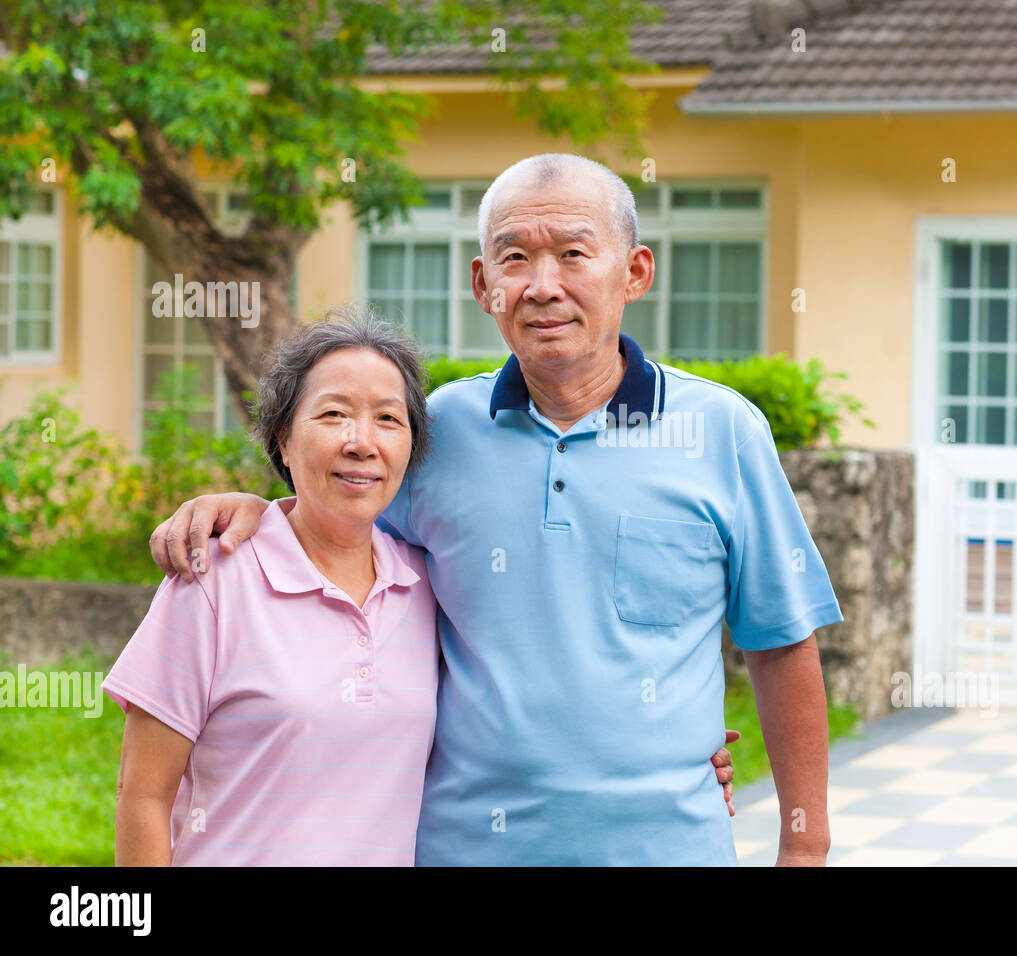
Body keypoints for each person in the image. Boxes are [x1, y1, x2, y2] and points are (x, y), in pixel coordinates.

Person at [150, 153, 840, 866]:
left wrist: (804, 846)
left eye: (574, 254)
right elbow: (339, 541)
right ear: (484, 284)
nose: (543, 287)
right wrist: (256, 509)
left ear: (633, 272)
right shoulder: (438, 432)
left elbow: (782, 640)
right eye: (515, 258)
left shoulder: (722, 433)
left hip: (668, 846)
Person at [107, 307, 738, 865]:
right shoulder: (215, 580)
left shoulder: (423, 583)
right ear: (283, 437)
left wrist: (672, 748)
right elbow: (143, 795)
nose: (362, 442)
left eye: (389, 419)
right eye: (332, 415)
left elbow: (511, 702)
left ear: (413, 448)